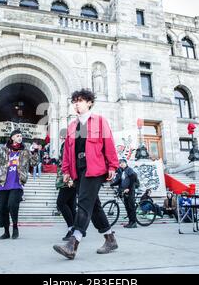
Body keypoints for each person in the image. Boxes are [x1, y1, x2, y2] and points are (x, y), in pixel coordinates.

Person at [53, 89, 119, 260]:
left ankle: (73, 243)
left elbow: (109, 143)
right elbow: (68, 152)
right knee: (94, 206)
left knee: (82, 202)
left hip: (95, 168)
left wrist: (113, 165)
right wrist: (66, 171)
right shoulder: (72, 126)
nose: (76, 104)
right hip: (78, 169)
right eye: (74, 101)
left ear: (89, 102)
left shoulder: (99, 121)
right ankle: (110, 239)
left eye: (80, 100)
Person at [0, 129, 30, 239]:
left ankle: (15, 227)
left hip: (17, 183)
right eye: (18, 135)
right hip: (3, 183)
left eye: (21, 135)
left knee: (12, 205)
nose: (20, 137)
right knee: (3, 208)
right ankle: (6, 232)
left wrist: (36, 152)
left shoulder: (24, 151)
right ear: (12, 137)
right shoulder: (4, 149)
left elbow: (34, 162)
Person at [55, 129, 77, 241]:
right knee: (71, 204)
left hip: (68, 178)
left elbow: (69, 162)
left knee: (61, 202)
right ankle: (76, 230)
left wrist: (69, 179)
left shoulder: (68, 144)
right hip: (70, 178)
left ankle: (72, 228)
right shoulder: (69, 144)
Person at [110, 158, 138, 228]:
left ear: (126, 163)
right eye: (120, 163)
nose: (121, 164)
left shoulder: (129, 170)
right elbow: (119, 181)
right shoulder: (122, 172)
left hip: (130, 191)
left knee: (131, 207)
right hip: (124, 191)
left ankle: (134, 223)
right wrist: (111, 185)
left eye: (123, 162)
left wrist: (129, 188)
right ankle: (130, 222)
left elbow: (133, 179)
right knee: (127, 207)